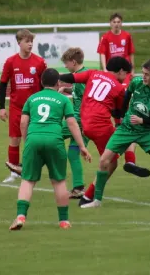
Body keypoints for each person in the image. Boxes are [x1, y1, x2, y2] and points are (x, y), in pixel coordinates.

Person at [80, 59, 150, 208]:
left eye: (147, 75)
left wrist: (143, 120)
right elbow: (125, 101)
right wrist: (119, 114)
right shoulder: (136, 83)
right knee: (103, 161)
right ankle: (96, 200)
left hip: (147, 132)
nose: (144, 77)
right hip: (126, 129)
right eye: (143, 73)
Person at [58, 57, 150, 206]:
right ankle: (129, 163)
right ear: (120, 71)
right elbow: (119, 112)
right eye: (125, 74)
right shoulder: (119, 89)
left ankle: (90, 197)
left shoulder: (92, 73)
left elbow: (71, 77)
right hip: (100, 126)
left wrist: (56, 77)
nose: (126, 77)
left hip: (85, 124)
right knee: (126, 139)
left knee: (111, 159)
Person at [9, 68, 92, 231]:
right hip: (55, 140)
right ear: (58, 83)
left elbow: (23, 123)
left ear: (41, 82)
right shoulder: (63, 100)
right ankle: (64, 221)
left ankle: (20, 216)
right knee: (59, 181)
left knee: (28, 180)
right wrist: (82, 146)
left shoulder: (32, 99)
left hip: (33, 139)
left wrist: (28, 141)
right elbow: (72, 123)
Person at [0, 29, 47, 183]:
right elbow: (2, 85)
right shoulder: (10, 62)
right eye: (27, 41)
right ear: (19, 43)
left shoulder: (39, 62)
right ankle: (14, 173)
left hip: (34, 107)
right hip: (16, 107)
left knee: (32, 139)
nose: (30, 44)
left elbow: (46, 85)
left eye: (31, 41)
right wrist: (1, 107)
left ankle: (31, 169)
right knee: (14, 139)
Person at [58, 48, 91, 199]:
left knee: (50, 136)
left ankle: (26, 167)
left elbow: (88, 99)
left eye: (66, 63)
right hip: (84, 121)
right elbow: (80, 92)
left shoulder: (82, 77)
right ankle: (78, 188)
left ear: (73, 62)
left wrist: (84, 123)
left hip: (79, 121)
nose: (65, 66)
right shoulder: (81, 76)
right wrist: (68, 89)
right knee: (72, 154)